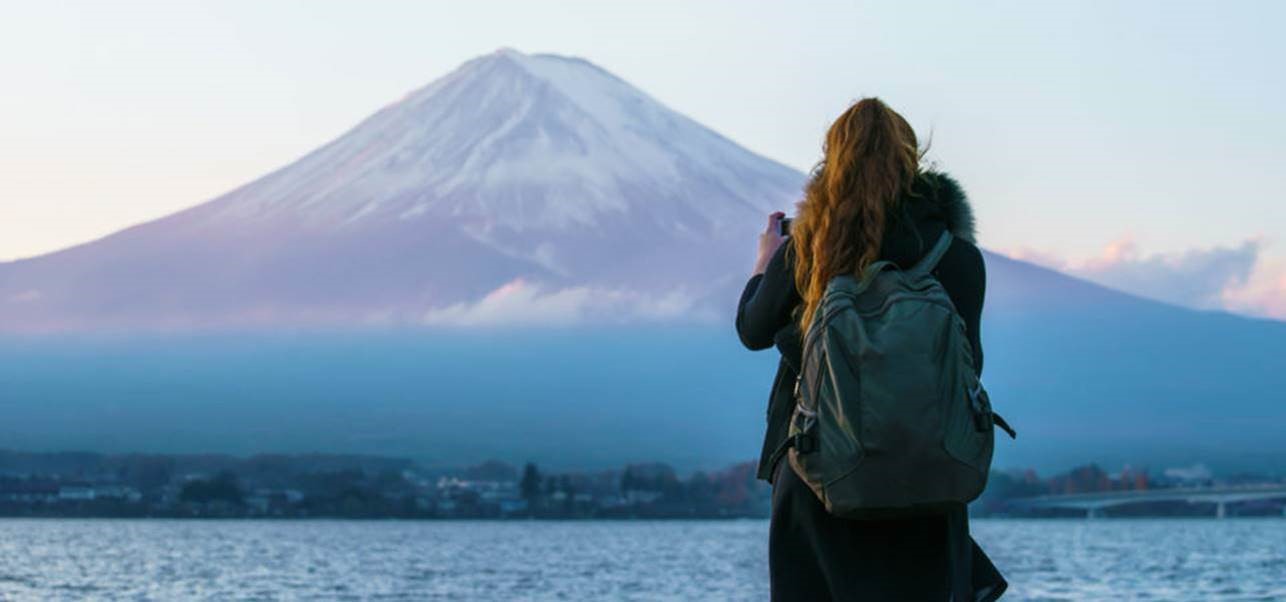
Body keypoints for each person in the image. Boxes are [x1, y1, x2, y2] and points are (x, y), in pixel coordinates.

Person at [735, 97, 1007, 601]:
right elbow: (971, 363)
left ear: (831, 161)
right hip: (929, 473)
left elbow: (752, 330)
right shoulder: (958, 255)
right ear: (913, 160)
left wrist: (763, 263)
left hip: (818, 471)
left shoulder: (808, 249)